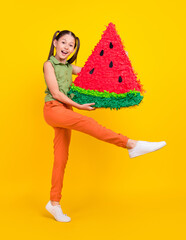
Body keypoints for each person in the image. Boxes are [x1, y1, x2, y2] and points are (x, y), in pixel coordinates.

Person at [43, 30, 167, 222]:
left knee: (61, 158)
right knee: (88, 122)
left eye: (71, 45)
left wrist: (119, 60)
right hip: (54, 109)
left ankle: (54, 203)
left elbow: (96, 71)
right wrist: (79, 106)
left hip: (66, 111)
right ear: (55, 43)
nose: (66, 48)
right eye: (63, 43)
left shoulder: (69, 67)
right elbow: (56, 93)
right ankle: (131, 144)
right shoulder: (49, 65)